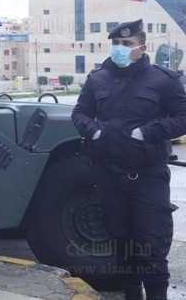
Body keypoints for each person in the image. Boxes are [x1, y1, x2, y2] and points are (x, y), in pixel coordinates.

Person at [72, 19, 186, 300]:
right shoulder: (97, 79)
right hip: (109, 175)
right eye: (115, 43)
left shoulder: (163, 79)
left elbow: (183, 117)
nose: (119, 48)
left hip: (147, 177)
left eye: (126, 43)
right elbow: (80, 113)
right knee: (122, 242)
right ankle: (131, 292)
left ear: (142, 48)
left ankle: (157, 295)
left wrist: (147, 132)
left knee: (151, 244)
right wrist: (93, 131)